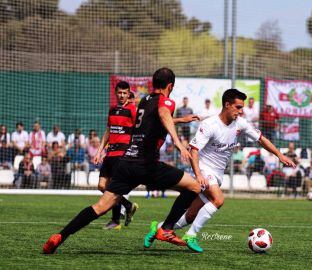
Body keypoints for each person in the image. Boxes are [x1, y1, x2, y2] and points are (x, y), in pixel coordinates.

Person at [42, 67, 202, 254]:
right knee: (195, 187)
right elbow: (164, 114)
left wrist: (181, 120)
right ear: (170, 86)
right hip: (147, 164)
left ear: (153, 83)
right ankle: (166, 229)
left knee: (101, 206)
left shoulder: (144, 101)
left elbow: (156, 119)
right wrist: (178, 144)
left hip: (127, 163)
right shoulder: (166, 101)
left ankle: (60, 236)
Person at [146, 89, 296, 253]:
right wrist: (199, 175)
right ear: (227, 104)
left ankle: (158, 228)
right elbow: (194, 150)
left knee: (191, 215)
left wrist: (280, 155)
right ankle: (191, 236)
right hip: (203, 169)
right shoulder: (210, 124)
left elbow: (261, 139)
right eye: (238, 107)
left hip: (217, 174)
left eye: (242, 108)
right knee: (218, 199)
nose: (241, 111)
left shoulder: (241, 123)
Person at [93, 81, 138, 230]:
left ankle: (115, 220)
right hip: (109, 153)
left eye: (125, 93)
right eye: (119, 92)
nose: (122, 95)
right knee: (101, 185)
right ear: (115, 93)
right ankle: (128, 205)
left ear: (128, 93)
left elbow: (138, 130)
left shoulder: (132, 110)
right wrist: (100, 150)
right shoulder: (112, 109)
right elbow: (108, 131)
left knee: (113, 186)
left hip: (122, 153)